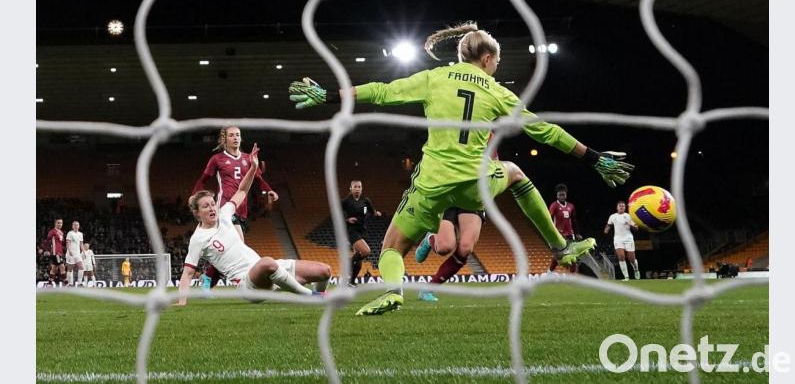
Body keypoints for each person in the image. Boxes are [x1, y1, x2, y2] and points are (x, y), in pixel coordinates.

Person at [289, 22, 634, 315]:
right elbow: (544, 131)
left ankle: (394, 290)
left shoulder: (435, 77)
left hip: (433, 182)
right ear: (486, 58)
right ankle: (559, 246)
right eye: (497, 61)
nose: (496, 66)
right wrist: (593, 157)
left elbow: (381, 92)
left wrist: (330, 97)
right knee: (514, 173)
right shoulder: (498, 92)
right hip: (476, 181)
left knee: (392, 248)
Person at [176, 144, 330, 306]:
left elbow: (241, 191)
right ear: (197, 213)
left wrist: (253, 167)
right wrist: (181, 301)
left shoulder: (225, 214)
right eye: (205, 206)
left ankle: (320, 298)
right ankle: (311, 296)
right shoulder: (198, 239)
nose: (212, 208)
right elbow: (188, 273)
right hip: (248, 284)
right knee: (267, 262)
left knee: (324, 271)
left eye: (212, 204)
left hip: (266, 274)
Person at [192, 126, 279, 290]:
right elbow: (203, 179)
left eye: (238, 135)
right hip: (225, 206)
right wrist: (194, 195)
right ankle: (241, 282)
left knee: (235, 249)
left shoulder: (248, 158)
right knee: (238, 245)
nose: (235, 138)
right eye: (232, 135)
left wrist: (269, 190)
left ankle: (208, 279)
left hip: (241, 208)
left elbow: (258, 178)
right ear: (225, 139)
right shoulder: (217, 159)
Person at [415, 207, 485, 302]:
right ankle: (430, 238)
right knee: (444, 247)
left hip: (472, 196)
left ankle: (428, 289)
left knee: (465, 249)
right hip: (447, 196)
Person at [341, 180, 382, 287]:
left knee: (358, 262)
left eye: (359, 187)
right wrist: (347, 219)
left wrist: (377, 214)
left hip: (363, 230)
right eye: (355, 187)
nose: (357, 189)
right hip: (351, 230)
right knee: (366, 251)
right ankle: (348, 264)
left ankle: (351, 282)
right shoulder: (346, 201)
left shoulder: (365, 200)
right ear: (350, 188)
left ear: (362, 188)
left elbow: (373, 212)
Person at [547, 184, 581, 274]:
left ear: (566, 195)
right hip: (559, 235)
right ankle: (549, 272)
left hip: (570, 234)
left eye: (563, 194)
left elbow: (574, 220)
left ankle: (572, 276)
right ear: (557, 196)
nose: (562, 196)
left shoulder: (571, 206)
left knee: (573, 254)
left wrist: (577, 233)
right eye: (560, 195)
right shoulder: (554, 205)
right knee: (558, 255)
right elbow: (549, 218)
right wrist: (552, 232)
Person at [603, 201, 640, 280]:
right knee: (621, 257)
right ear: (617, 207)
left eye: (623, 206)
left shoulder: (629, 216)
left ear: (625, 208)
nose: (621, 207)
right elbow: (608, 225)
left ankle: (636, 269)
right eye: (620, 206)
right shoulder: (613, 216)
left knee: (631, 259)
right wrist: (606, 229)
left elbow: (636, 228)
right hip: (618, 239)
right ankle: (626, 277)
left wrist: (630, 224)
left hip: (628, 238)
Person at [41, 218, 66, 286]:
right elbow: (47, 241)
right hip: (55, 252)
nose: (60, 224)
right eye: (58, 223)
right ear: (55, 223)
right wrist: (45, 249)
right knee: (62, 267)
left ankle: (49, 283)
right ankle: (66, 282)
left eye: (61, 223)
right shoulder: (52, 231)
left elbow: (60, 243)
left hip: (60, 252)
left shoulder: (61, 232)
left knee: (54, 268)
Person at [65, 221, 85, 286]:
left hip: (78, 254)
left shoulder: (80, 234)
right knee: (70, 269)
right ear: (72, 226)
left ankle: (80, 283)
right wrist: (69, 250)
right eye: (74, 225)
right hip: (71, 253)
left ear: (79, 226)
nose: (76, 226)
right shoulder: (70, 233)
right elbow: (68, 243)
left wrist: (83, 251)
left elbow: (81, 244)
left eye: (77, 225)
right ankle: (70, 283)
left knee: (81, 267)